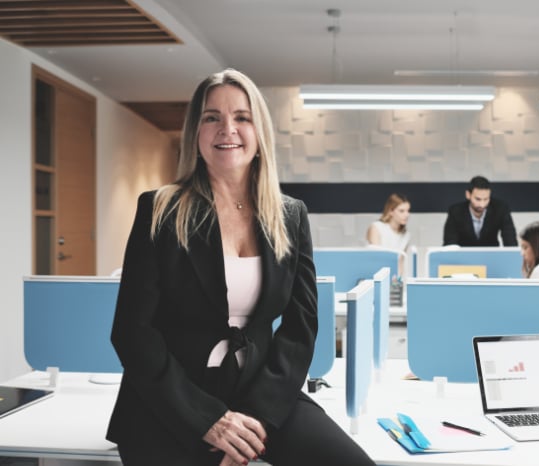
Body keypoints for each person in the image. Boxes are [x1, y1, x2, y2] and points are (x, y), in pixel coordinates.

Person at [106, 69, 375, 466]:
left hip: (261, 391)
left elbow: (301, 327)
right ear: (195, 133)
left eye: (242, 117)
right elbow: (131, 332)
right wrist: (208, 420)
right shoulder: (160, 210)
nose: (226, 129)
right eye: (212, 117)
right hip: (171, 400)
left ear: (259, 132)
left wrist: (256, 418)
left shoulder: (290, 215)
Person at [443, 175, 517, 247]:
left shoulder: (500, 209)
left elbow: (510, 240)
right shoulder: (455, 211)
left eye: (486, 199)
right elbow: (450, 243)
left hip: (491, 256)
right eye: (478, 199)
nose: (482, 204)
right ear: (468, 195)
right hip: (463, 257)